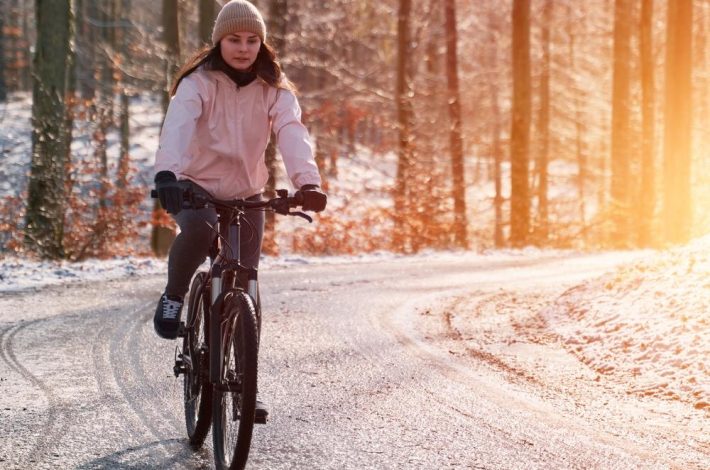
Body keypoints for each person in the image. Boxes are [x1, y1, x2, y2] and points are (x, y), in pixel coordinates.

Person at [152, 0, 327, 420]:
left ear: (262, 44)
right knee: (198, 232)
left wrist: (308, 182)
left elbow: (291, 133)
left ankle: (247, 385)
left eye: (252, 40)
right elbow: (177, 127)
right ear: (220, 41)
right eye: (235, 39)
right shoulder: (198, 83)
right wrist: (167, 175)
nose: (244, 48)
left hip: (248, 192)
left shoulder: (275, 90)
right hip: (195, 187)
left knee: (247, 285)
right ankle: (175, 296)